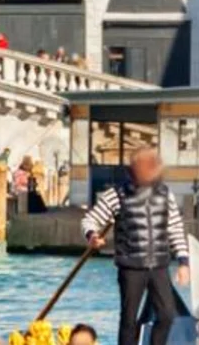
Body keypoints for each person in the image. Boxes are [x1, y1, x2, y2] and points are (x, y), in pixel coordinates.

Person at [80, 146, 189, 345]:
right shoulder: (116, 195)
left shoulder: (165, 194)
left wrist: (183, 262)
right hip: (131, 267)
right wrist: (92, 236)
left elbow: (175, 228)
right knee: (128, 320)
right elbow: (90, 220)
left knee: (166, 315)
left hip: (159, 265)